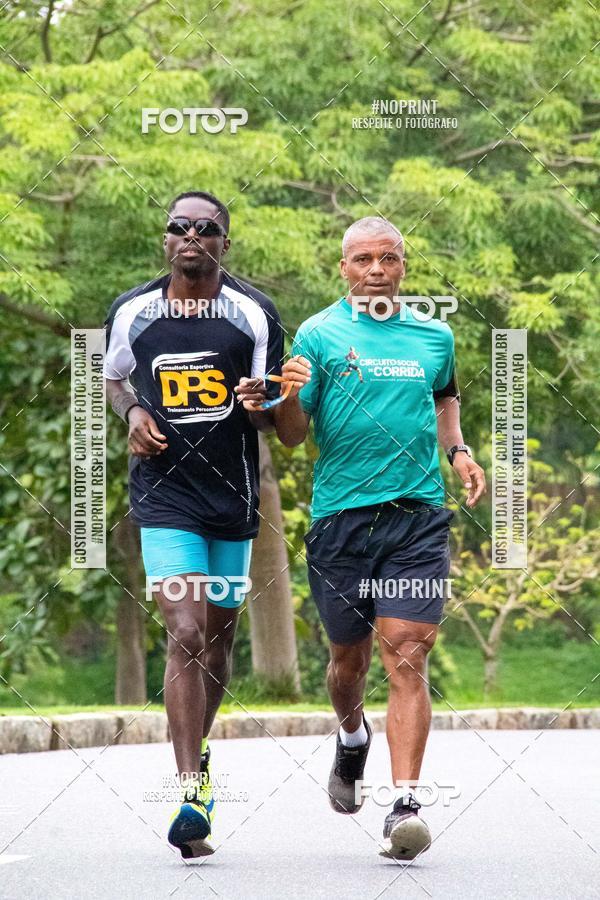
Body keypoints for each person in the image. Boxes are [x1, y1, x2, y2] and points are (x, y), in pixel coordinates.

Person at [274, 216, 486, 860]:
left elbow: (445, 399)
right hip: (342, 519)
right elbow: (289, 434)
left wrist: (459, 452)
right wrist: (283, 396)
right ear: (343, 268)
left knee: (407, 655)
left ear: (403, 265)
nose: (375, 269)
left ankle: (405, 805)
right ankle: (351, 736)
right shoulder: (318, 334)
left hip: (417, 517)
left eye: (387, 258)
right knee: (349, 664)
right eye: (362, 259)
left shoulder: (435, 335)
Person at [103, 190, 304, 858]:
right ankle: (189, 790)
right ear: (164, 240)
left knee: (217, 641)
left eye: (205, 228)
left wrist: (262, 400)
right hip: (164, 498)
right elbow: (115, 378)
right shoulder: (134, 311)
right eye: (178, 227)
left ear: (224, 241)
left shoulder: (252, 314)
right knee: (185, 632)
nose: (191, 235)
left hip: (231, 502)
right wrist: (131, 414)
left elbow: (272, 414)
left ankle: (203, 758)